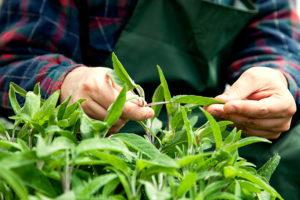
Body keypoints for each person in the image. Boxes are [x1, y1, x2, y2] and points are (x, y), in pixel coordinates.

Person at [0, 0, 299, 199]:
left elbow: (275, 38)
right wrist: (66, 82)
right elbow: (13, 59)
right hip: (89, 135)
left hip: (200, 130)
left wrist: (276, 79)